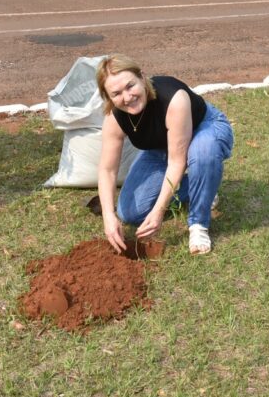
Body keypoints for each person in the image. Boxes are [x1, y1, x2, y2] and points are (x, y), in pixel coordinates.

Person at [95, 55, 234, 255]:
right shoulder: (114, 118)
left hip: (204, 129)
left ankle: (198, 224)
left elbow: (177, 162)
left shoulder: (173, 99)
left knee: (202, 152)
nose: (127, 97)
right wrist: (109, 215)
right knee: (130, 212)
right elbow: (107, 170)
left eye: (130, 86)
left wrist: (159, 210)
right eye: (116, 93)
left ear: (142, 78)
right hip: (161, 148)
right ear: (108, 97)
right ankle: (204, 184)